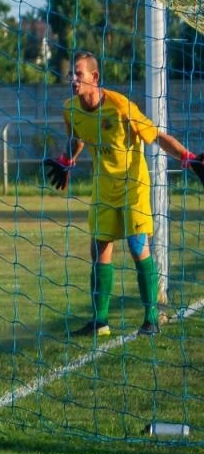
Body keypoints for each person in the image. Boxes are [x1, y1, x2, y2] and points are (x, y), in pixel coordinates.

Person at [43, 50, 204, 337]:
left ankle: (151, 318)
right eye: (72, 74)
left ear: (95, 77)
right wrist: (68, 161)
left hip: (133, 184)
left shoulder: (120, 107)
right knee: (100, 247)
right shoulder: (70, 109)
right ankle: (100, 322)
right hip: (104, 185)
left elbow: (156, 136)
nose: (73, 79)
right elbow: (77, 138)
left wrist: (188, 157)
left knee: (135, 244)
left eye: (78, 73)